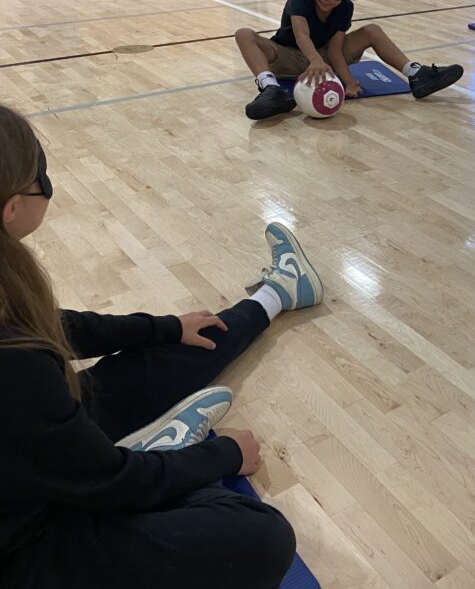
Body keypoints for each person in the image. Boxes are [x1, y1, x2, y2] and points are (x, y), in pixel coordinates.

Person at [0, 103, 327, 587]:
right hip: (26, 552)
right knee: (261, 535)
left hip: (32, 471)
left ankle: (278, 294)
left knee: (164, 356)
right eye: (41, 180)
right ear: (12, 207)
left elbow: (57, 329)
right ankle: (152, 455)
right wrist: (224, 457)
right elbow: (109, 482)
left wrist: (164, 327)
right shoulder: (17, 371)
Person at [235, 0, 464, 120]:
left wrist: (349, 81)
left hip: (325, 58)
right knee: (244, 34)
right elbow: (301, 34)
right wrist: (314, 60)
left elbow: (335, 50)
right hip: (291, 55)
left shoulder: (345, 7)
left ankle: (416, 74)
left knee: (372, 30)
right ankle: (271, 89)